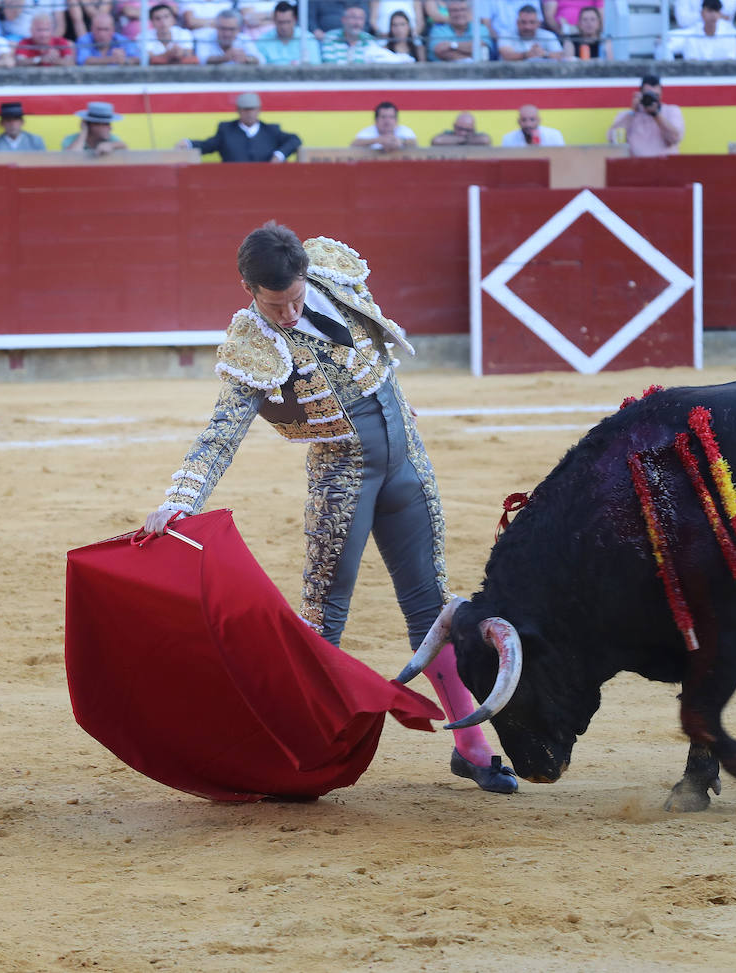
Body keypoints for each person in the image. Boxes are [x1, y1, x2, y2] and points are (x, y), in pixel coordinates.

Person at [142, 223, 520, 795]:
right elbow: (222, 432)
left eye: (295, 299)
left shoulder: (334, 272)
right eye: (275, 305)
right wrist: (180, 500)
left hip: (406, 465)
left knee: (431, 604)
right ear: (248, 289)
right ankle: (302, 753)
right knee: (323, 620)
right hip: (343, 479)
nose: (289, 314)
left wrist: (400, 402)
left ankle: (471, 748)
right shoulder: (251, 340)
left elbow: (376, 345)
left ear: (305, 277)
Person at [178, 93, 301, 162]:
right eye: (245, 110)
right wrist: (189, 143)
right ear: (238, 111)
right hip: (233, 183)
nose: (249, 113)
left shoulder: (271, 130)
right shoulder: (226, 130)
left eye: (252, 109)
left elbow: (295, 140)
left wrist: (279, 155)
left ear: (259, 110)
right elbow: (208, 145)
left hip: (267, 182)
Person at [606, 74, 685, 157]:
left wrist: (656, 114)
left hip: (665, 165)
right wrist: (633, 112)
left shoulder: (671, 111)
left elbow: (675, 139)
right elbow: (612, 138)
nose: (653, 100)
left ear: (661, 93)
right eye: (649, 95)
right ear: (641, 93)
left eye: (656, 96)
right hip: (635, 166)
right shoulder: (628, 114)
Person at [666, 0, 736, 60]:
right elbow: (682, 20)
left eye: (715, 11)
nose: (713, 14)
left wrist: (707, 13)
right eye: (710, 11)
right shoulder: (707, 15)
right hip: (689, 31)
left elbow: (728, 13)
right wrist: (706, 15)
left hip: (723, 30)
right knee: (663, 44)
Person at [257, 1, 321, 63]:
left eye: (288, 22)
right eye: (281, 22)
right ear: (274, 21)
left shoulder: (308, 39)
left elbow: (315, 66)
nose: (284, 27)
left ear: (295, 20)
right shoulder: (263, 40)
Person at [498, 3, 564, 58]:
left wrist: (544, 53)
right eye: (523, 22)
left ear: (538, 23)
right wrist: (527, 55)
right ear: (517, 23)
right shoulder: (506, 34)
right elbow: (506, 55)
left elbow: (560, 55)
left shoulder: (547, 35)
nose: (527, 27)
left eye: (532, 22)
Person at [62, 101, 127, 155]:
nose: (110, 128)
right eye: (106, 124)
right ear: (91, 125)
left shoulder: (111, 138)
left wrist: (111, 145)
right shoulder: (71, 139)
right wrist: (84, 131)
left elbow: (124, 146)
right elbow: (71, 157)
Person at [351, 100, 418, 150]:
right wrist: (377, 140)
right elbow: (353, 145)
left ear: (396, 120)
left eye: (391, 117)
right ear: (376, 120)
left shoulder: (404, 130)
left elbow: (415, 143)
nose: (387, 121)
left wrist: (401, 141)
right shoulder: (368, 131)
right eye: (383, 117)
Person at [500, 104, 565, 145]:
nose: (528, 124)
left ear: (539, 120)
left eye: (532, 119)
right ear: (518, 121)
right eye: (524, 120)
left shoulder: (554, 135)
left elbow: (560, 158)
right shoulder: (508, 138)